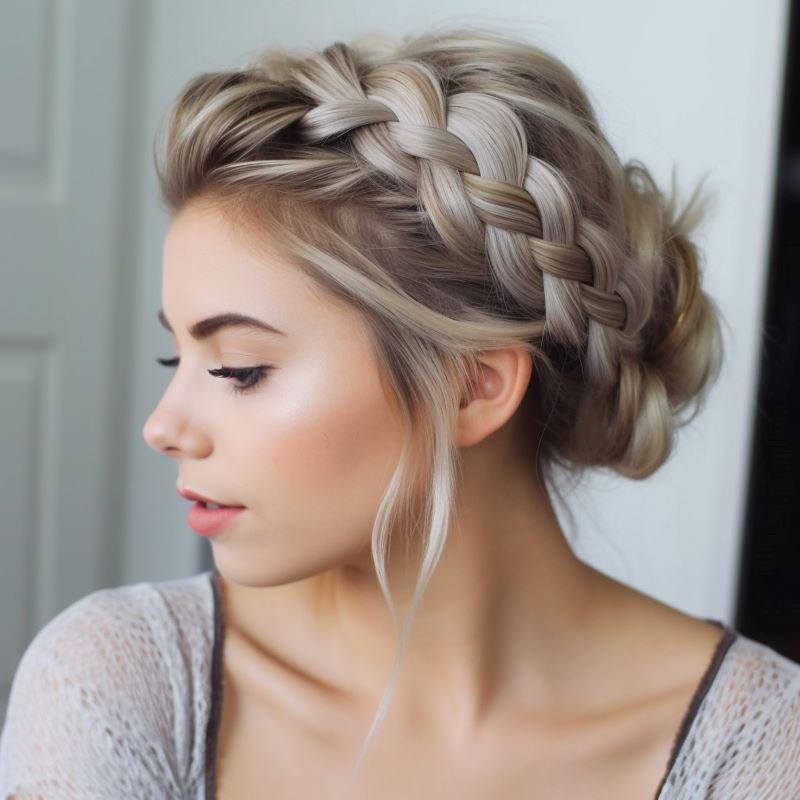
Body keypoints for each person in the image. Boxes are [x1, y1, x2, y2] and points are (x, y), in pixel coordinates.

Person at [1, 24, 799, 800]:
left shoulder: (760, 745)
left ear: (474, 386)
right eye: (179, 357)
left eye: (239, 370)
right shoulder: (113, 685)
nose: (163, 426)